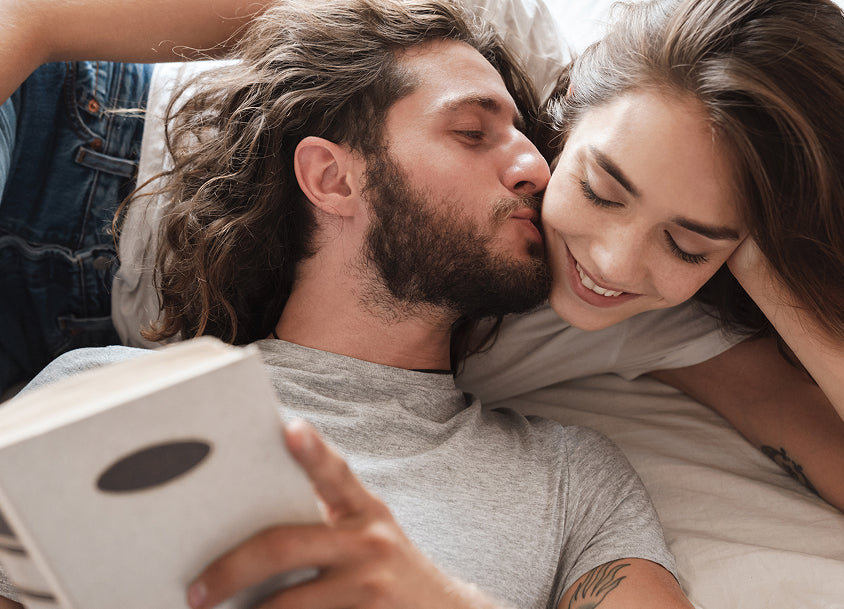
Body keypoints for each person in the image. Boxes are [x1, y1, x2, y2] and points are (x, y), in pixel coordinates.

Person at [0, 0, 694, 608]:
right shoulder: (93, 398)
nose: (537, 169)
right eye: (471, 132)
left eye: (528, 143)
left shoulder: (572, 481)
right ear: (332, 178)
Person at [453, 0, 844, 600]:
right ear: (566, 113)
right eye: (599, 192)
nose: (613, 264)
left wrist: (781, 276)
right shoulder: (471, 71)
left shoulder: (674, 323)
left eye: (687, 245)